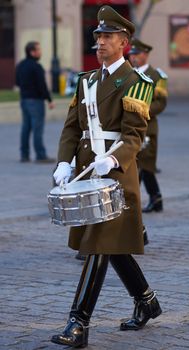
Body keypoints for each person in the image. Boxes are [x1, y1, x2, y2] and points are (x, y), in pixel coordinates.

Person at [51, 5, 162, 348]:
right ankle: (147, 301)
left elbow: (133, 135)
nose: (99, 42)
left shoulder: (137, 83)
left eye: (107, 37)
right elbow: (72, 128)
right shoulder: (86, 80)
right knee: (111, 246)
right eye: (97, 36)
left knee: (99, 244)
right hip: (87, 174)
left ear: (124, 42)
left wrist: (112, 161)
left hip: (115, 176)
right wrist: (64, 162)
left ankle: (78, 324)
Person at [128, 38, 168, 213]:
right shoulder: (129, 74)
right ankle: (152, 198)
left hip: (147, 126)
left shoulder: (156, 76)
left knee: (146, 164)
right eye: (131, 54)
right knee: (137, 165)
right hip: (129, 127)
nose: (133, 57)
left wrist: (142, 111)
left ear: (145, 55)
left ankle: (145, 199)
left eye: (136, 54)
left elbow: (161, 102)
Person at [16, 41, 55, 163]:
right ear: (32, 52)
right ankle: (40, 155)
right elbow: (42, 86)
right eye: (38, 50)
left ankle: (24, 154)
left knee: (26, 128)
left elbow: (17, 82)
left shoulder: (20, 65)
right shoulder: (36, 67)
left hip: (24, 100)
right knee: (37, 128)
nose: (40, 52)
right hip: (36, 102)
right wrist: (49, 100)